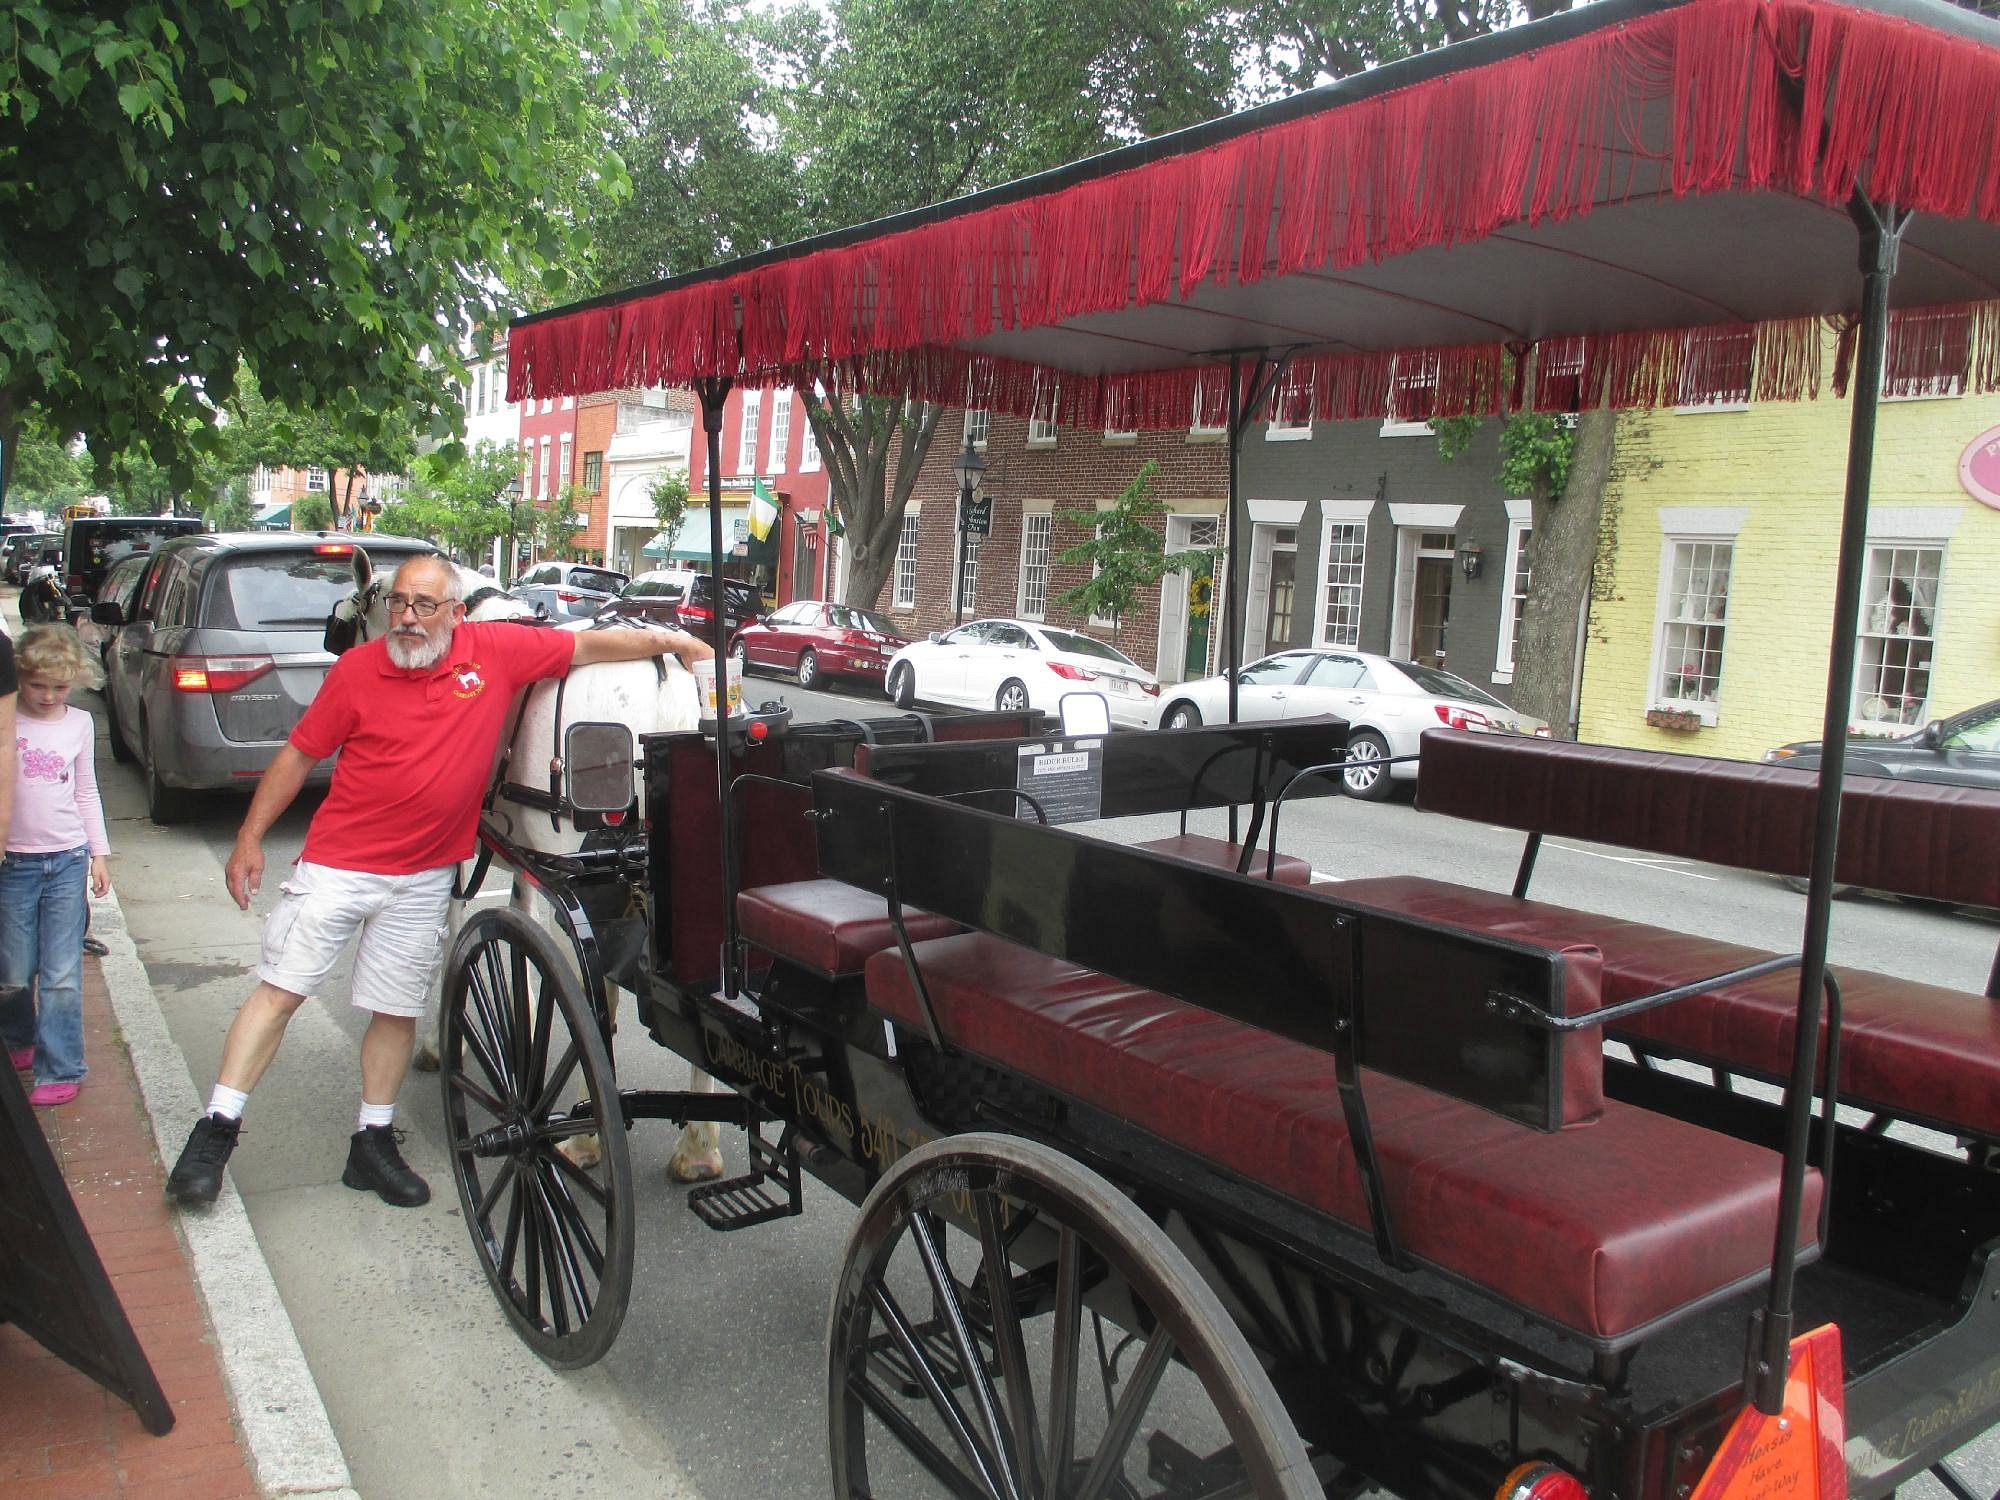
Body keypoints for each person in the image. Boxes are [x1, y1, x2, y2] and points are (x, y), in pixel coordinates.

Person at [165, 555, 712, 1209]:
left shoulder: (498, 651)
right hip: (341, 863)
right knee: (279, 993)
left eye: (425, 605)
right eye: (399, 603)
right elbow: (299, 754)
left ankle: (371, 1143)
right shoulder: (358, 670)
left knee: (396, 1013)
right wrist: (251, 837)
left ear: (457, 614)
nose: (408, 618)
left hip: (423, 876)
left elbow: (591, 642)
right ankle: (214, 1134)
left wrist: (674, 641)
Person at [1, 625, 112, 1106]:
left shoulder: (80, 724)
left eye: (60, 687)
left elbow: (86, 790)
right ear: (18, 678)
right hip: (14, 862)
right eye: (37, 685)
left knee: (62, 970)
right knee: (13, 968)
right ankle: (19, 1036)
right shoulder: (8, 722)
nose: (48, 696)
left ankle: (62, 1064)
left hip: (66, 858)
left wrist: (98, 853)